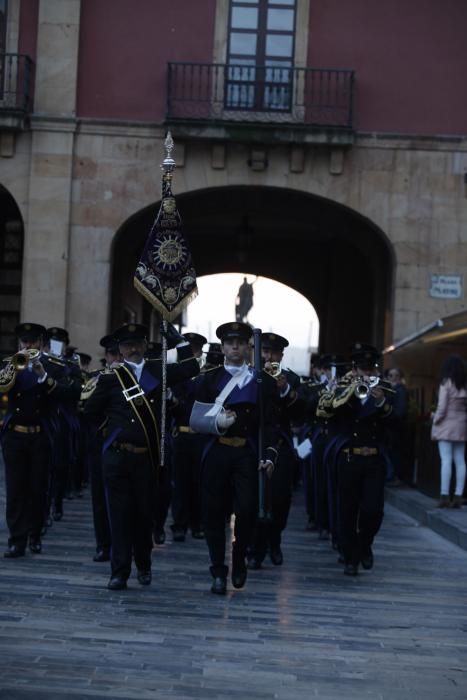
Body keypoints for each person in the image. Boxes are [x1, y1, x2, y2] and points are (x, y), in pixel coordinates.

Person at [83, 322, 199, 590]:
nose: (133, 348)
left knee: (143, 515)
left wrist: (179, 342)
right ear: (120, 350)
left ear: (145, 345)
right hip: (117, 457)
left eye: (137, 343)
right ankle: (119, 571)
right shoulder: (111, 378)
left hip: (146, 459)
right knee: (119, 516)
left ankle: (144, 566)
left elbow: (192, 369)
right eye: (127, 345)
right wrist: (112, 431)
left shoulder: (158, 370)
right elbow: (90, 412)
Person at [190, 322, 279, 595]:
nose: (235, 347)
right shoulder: (208, 380)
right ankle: (218, 569)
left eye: (240, 343)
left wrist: (269, 456)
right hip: (217, 450)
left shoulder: (262, 381)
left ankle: (239, 556)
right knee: (214, 513)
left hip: (246, 453)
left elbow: (270, 423)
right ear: (223, 347)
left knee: (248, 509)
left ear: (248, 347)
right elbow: (194, 419)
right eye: (230, 343)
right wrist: (218, 421)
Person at [0, 323, 75, 557]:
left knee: (38, 488)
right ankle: (17, 539)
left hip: (41, 435)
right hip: (15, 435)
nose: (27, 346)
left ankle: (35, 533)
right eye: (24, 341)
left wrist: (42, 375)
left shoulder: (55, 367)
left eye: (32, 342)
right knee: (15, 489)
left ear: (41, 343)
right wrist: (12, 370)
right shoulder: (9, 363)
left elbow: (67, 394)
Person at [326, 343, 393, 575]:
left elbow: (397, 421)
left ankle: (365, 545)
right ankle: (350, 556)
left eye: (370, 368)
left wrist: (381, 402)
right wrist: (343, 392)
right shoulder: (344, 387)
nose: (366, 373)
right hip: (349, 458)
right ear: (354, 369)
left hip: (373, 459)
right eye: (361, 369)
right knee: (347, 510)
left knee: (373, 510)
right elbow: (328, 417)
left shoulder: (386, 389)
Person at [248, 331, 303, 569]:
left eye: (272, 352)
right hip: (254, 444)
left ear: (281, 355)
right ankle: (254, 548)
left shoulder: (292, 379)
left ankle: (275, 541)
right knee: (253, 498)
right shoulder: (249, 375)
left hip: (279, 446)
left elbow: (302, 411)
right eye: (264, 351)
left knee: (280, 499)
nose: (267, 356)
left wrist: (284, 390)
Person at [170, 332, 208, 542]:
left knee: (200, 483)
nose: (192, 353)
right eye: (189, 349)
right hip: (183, 434)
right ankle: (179, 524)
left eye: (195, 350)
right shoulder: (176, 373)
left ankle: (197, 523)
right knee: (180, 483)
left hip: (201, 435)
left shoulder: (207, 374)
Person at [431, 354, 467, 508]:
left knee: (446, 460)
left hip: (445, 425)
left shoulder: (446, 383)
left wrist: (435, 418)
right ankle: (458, 495)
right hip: (461, 425)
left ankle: (444, 495)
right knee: (460, 460)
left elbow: (442, 407)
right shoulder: (464, 384)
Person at [384, 367, 408, 486]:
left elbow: (400, 411)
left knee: (395, 453)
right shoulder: (391, 389)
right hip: (391, 427)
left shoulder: (400, 390)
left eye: (396, 375)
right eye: (391, 375)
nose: (393, 378)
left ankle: (396, 477)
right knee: (392, 452)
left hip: (396, 428)